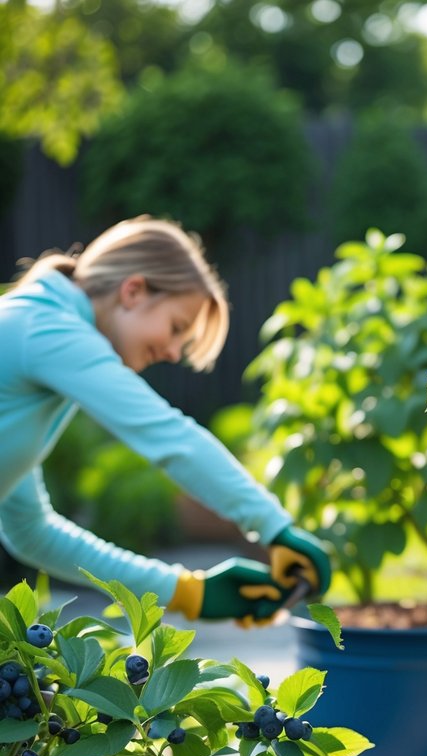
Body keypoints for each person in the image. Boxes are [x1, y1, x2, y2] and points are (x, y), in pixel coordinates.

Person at [0, 215, 330, 623]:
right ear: (134, 291)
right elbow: (171, 438)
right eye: (176, 328)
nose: (174, 353)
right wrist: (272, 526)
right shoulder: (47, 329)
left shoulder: (37, 334)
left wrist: (189, 591)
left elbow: (31, 532)